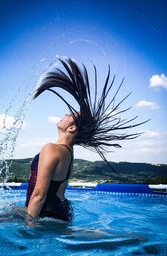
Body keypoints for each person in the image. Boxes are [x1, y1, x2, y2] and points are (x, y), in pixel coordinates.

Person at [25, 57, 148, 222]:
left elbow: (39, 196)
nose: (66, 114)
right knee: (5, 215)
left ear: (72, 128)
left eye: (71, 114)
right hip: (60, 211)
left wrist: (28, 232)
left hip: (46, 214)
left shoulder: (51, 149)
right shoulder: (68, 152)